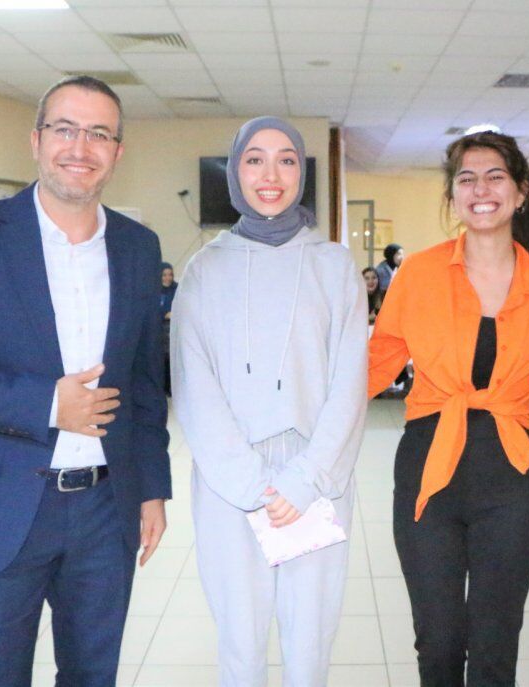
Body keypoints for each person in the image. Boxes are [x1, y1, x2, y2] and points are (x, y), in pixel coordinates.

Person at [0, 75, 172, 687]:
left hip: (106, 508)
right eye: (65, 129)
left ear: (118, 151)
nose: (81, 146)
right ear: (36, 139)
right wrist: (47, 404)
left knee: (92, 676)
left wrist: (152, 487)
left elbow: (144, 383)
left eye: (99, 133)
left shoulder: (137, 247)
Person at [369, 130, 529, 686]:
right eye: (467, 179)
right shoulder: (419, 274)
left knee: (494, 643)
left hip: (510, 476)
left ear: (521, 192)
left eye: (495, 177)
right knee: (437, 641)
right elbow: (374, 362)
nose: (481, 189)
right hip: (428, 467)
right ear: (452, 196)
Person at [171, 116, 367, 687]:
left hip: (317, 479)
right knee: (240, 645)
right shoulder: (204, 269)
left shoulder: (334, 266)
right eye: (254, 159)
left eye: (286, 160)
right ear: (235, 172)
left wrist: (305, 479)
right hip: (231, 482)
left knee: (309, 648)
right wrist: (250, 483)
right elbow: (193, 384)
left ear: (302, 173)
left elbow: (349, 383)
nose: (270, 175)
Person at [159, 261, 177, 395]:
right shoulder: (154, 290)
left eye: (170, 275)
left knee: (173, 358)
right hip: (159, 329)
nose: (168, 278)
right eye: (164, 275)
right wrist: (164, 314)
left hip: (174, 328)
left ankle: (172, 387)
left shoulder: (177, 289)